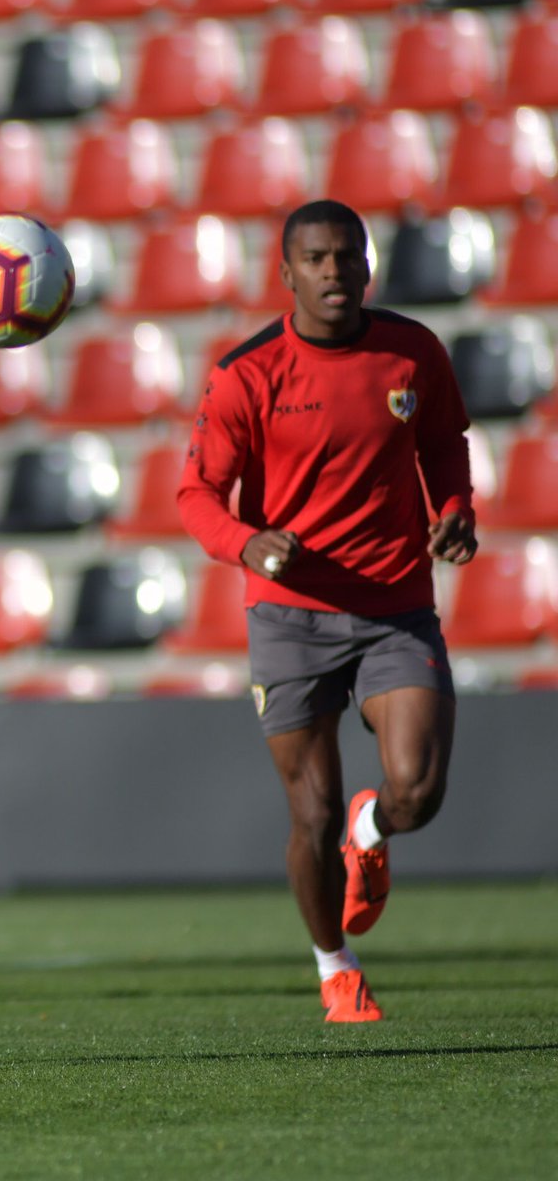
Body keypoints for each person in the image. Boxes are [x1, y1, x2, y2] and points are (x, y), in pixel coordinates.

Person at [177, 199, 477, 1023]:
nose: (334, 272)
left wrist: (454, 506)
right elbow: (197, 493)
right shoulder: (248, 373)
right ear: (287, 274)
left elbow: (445, 441)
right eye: (316, 259)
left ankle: (373, 830)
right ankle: (334, 966)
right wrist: (246, 543)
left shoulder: (412, 353)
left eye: (348, 257)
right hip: (291, 615)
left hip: (395, 609)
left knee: (417, 790)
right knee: (308, 817)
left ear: (368, 266)